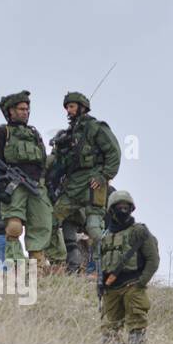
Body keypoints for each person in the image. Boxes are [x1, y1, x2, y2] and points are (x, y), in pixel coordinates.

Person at [48, 90, 121, 273]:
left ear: (82, 107)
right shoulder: (68, 134)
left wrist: (103, 175)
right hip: (72, 185)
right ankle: (60, 262)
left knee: (94, 228)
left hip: (92, 183)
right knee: (51, 219)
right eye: (67, 107)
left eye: (71, 107)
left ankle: (115, 260)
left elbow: (114, 152)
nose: (68, 111)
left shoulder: (96, 127)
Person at [0, 91, 51, 266]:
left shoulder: (34, 133)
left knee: (40, 225)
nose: (25, 112)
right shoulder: (3, 131)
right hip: (14, 185)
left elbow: (43, 160)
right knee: (14, 226)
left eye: (27, 108)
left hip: (36, 185)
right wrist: (2, 188)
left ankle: (37, 265)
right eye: (21, 109)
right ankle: (15, 264)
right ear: (11, 111)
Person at [99, 190, 160, 344]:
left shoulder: (138, 231)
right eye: (119, 207)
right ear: (111, 210)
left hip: (132, 286)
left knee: (136, 325)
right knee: (108, 330)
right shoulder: (105, 236)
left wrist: (141, 282)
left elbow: (153, 259)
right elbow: (101, 262)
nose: (123, 210)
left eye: (126, 207)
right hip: (110, 289)